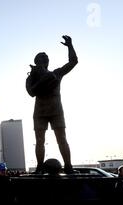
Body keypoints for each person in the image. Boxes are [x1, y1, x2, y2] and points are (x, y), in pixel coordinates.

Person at [26, 35, 78, 174]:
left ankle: (68, 166)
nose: (45, 59)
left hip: (56, 110)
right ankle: (39, 167)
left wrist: (70, 46)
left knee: (62, 138)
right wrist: (42, 77)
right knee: (39, 141)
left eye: (46, 57)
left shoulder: (57, 73)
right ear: (36, 62)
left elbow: (73, 62)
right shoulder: (31, 77)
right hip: (40, 111)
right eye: (42, 58)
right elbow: (31, 92)